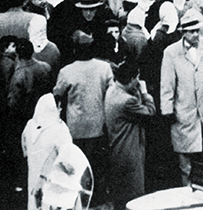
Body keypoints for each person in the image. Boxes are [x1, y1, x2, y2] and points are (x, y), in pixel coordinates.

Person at [159, 8, 203, 186]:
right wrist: (167, 110)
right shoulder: (171, 52)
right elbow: (167, 84)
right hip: (183, 113)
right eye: (191, 31)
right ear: (183, 32)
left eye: (198, 30)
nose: (196, 34)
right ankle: (186, 193)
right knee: (185, 162)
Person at [53, 32, 112, 192]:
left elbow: (57, 95)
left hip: (75, 128)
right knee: (97, 166)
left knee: (77, 167)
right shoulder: (104, 68)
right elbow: (111, 92)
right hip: (98, 125)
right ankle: (97, 197)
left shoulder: (66, 71)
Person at [103, 61, 156, 210]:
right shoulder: (127, 101)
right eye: (137, 78)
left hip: (117, 149)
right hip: (130, 152)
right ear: (132, 79)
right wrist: (145, 93)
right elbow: (150, 112)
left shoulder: (112, 90)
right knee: (134, 194)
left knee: (120, 194)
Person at [21, 93, 73, 210]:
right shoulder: (60, 129)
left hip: (33, 180)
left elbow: (25, 151)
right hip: (54, 183)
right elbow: (69, 158)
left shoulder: (29, 127)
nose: (60, 110)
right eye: (58, 107)